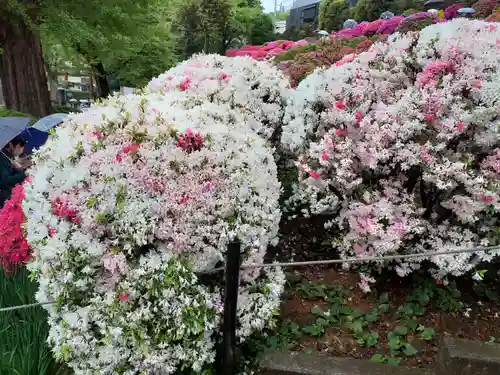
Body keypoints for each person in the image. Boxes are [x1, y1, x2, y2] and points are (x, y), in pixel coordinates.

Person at [0, 135, 28, 207]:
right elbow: (5, 180)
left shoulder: (9, 158)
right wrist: (24, 174)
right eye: (20, 145)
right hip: (5, 200)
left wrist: (19, 169)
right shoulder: (2, 159)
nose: (22, 148)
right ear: (11, 145)